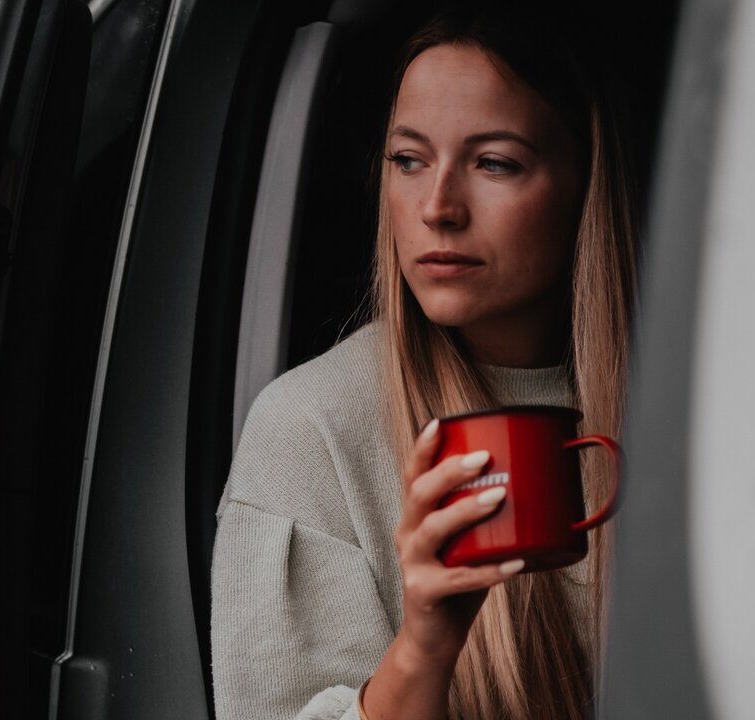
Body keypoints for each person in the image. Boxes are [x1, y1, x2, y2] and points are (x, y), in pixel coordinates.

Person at [211, 3, 636, 718]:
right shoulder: (313, 429)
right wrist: (424, 649)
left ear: (585, 183)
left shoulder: (695, 404)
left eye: (494, 162)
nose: (437, 205)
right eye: (408, 160)